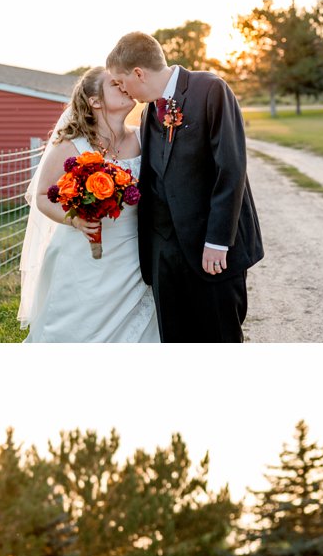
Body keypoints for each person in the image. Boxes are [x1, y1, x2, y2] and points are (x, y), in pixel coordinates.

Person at [105, 30, 264, 343]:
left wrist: (218, 241)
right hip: (165, 256)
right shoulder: (150, 110)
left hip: (212, 251)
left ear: (138, 72)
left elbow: (230, 168)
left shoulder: (211, 89)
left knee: (219, 337)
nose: (123, 90)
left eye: (122, 81)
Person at [19, 66, 160, 343]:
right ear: (94, 101)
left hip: (135, 256)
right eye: (114, 84)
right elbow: (41, 196)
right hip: (84, 257)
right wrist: (74, 219)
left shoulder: (145, 138)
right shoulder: (72, 146)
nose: (123, 86)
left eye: (123, 82)